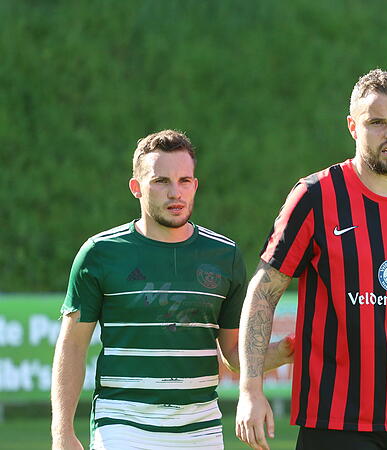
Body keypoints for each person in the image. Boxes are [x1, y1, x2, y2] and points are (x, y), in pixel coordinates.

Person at [236, 69, 387, 450]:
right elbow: (263, 292)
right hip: (334, 421)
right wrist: (250, 390)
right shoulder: (315, 196)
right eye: (377, 122)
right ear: (352, 126)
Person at [51, 130, 293, 450]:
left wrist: (287, 351)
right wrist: (62, 432)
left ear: (195, 185)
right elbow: (72, 346)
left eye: (184, 181)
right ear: (137, 188)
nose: (175, 192)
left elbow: (233, 356)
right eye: (161, 181)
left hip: (201, 427)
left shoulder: (224, 255)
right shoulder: (99, 254)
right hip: (122, 423)